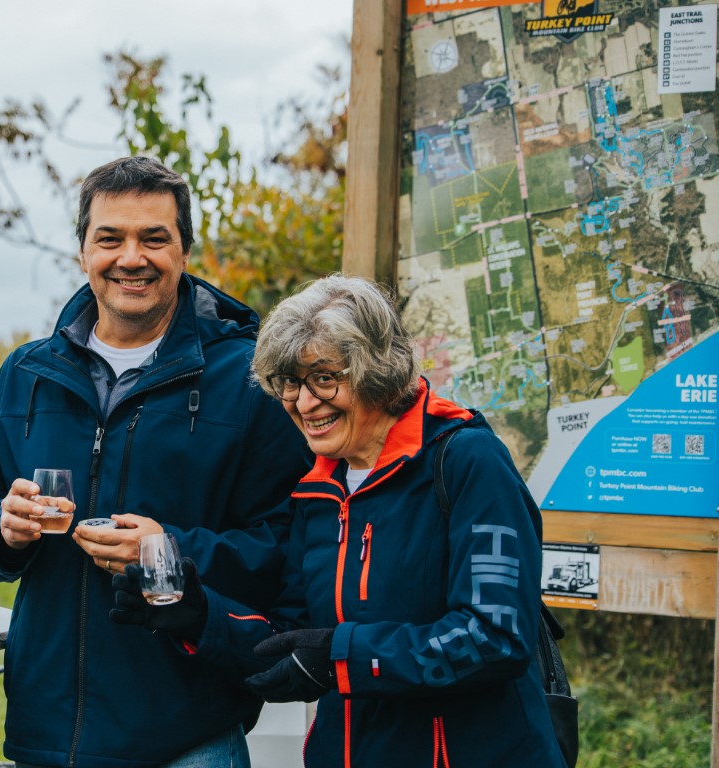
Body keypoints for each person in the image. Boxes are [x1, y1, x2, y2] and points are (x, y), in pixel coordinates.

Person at [112, 274, 567, 766]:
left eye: (324, 378)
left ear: (378, 370)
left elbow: (495, 637)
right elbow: (294, 641)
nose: (304, 403)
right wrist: (200, 616)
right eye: (289, 382)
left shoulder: (465, 460)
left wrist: (342, 656)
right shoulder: (317, 488)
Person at [0, 156, 312, 768]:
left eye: (154, 238)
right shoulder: (27, 375)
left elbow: (287, 549)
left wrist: (168, 550)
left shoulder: (249, 382)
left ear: (186, 252)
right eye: (110, 238)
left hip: (189, 738)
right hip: (48, 734)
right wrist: (3, 530)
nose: (131, 258)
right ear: (83, 252)